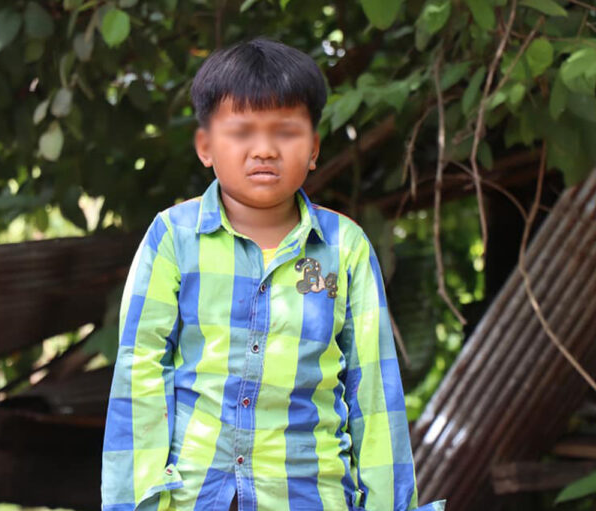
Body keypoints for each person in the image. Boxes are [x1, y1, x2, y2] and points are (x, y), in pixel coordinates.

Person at [100, 35, 447, 511]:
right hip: (194, 496)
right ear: (206, 146)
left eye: (285, 133)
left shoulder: (345, 248)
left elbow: (374, 390)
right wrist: (130, 504)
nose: (264, 150)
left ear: (314, 148)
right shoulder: (173, 239)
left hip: (310, 495)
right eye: (241, 132)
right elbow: (138, 377)